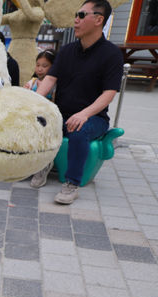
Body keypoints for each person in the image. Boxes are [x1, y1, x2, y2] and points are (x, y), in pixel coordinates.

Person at [34, 0, 123, 203]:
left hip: (94, 117)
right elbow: (49, 80)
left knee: (78, 129)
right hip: (62, 112)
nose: (76, 19)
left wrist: (84, 114)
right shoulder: (66, 51)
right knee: (38, 121)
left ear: (98, 20)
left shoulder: (111, 54)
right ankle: (41, 165)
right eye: (76, 14)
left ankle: (71, 184)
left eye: (82, 15)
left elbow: (109, 93)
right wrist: (32, 101)